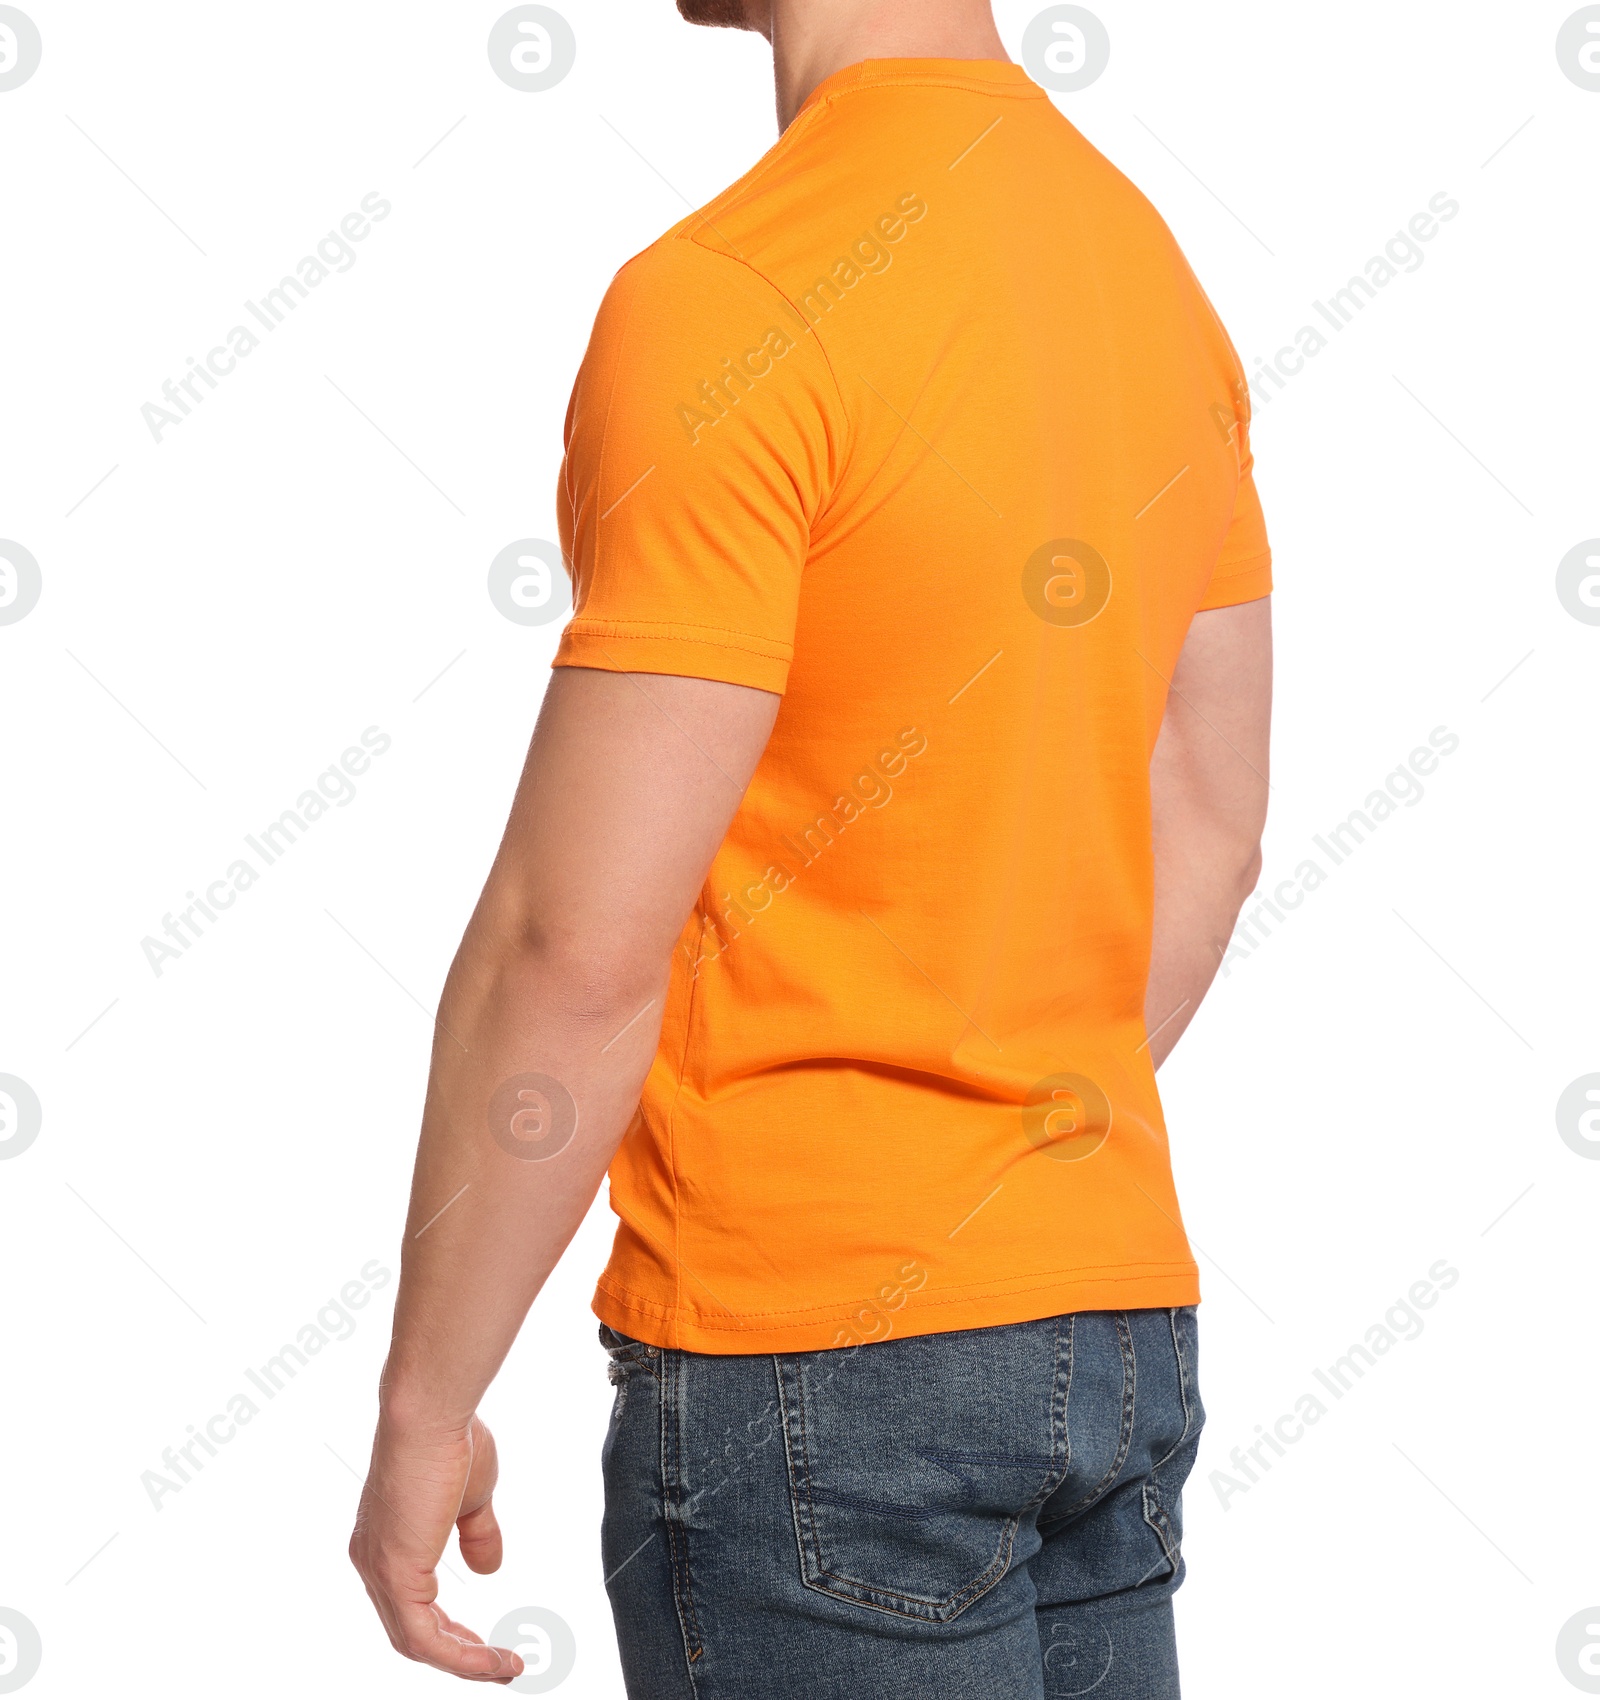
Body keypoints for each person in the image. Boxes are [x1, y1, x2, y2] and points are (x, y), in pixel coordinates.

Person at [347, 0, 1272, 1693]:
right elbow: (1208, 824)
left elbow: (578, 944)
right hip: (1109, 1320)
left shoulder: (732, 298)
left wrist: (426, 1400)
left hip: (812, 1367)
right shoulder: (1150, 276)